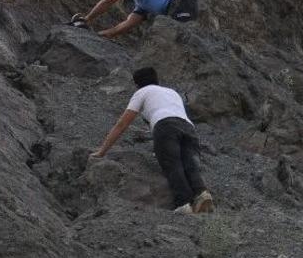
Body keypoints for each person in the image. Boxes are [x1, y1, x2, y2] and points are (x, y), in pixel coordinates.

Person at [91, 67, 214, 214]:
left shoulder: (142, 92)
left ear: (137, 84)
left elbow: (122, 124)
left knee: (172, 164)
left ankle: (184, 203)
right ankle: (202, 194)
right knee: (189, 162)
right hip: (188, 127)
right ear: (156, 79)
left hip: (165, 125)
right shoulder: (171, 92)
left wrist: (102, 151)